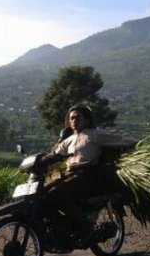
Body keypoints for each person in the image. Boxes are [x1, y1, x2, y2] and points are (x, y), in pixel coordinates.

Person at [44, 104, 137, 244]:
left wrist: (137, 144)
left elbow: (121, 140)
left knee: (56, 193)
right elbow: (54, 155)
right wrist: (39, 162)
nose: (73, 121)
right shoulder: (68, 140)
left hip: (87, 174)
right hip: (70, 174)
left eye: (77, 118)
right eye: (71, 118)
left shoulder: (94, 135)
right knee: (43, 194)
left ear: (87, 120)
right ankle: (63, 227)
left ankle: (85, 226)